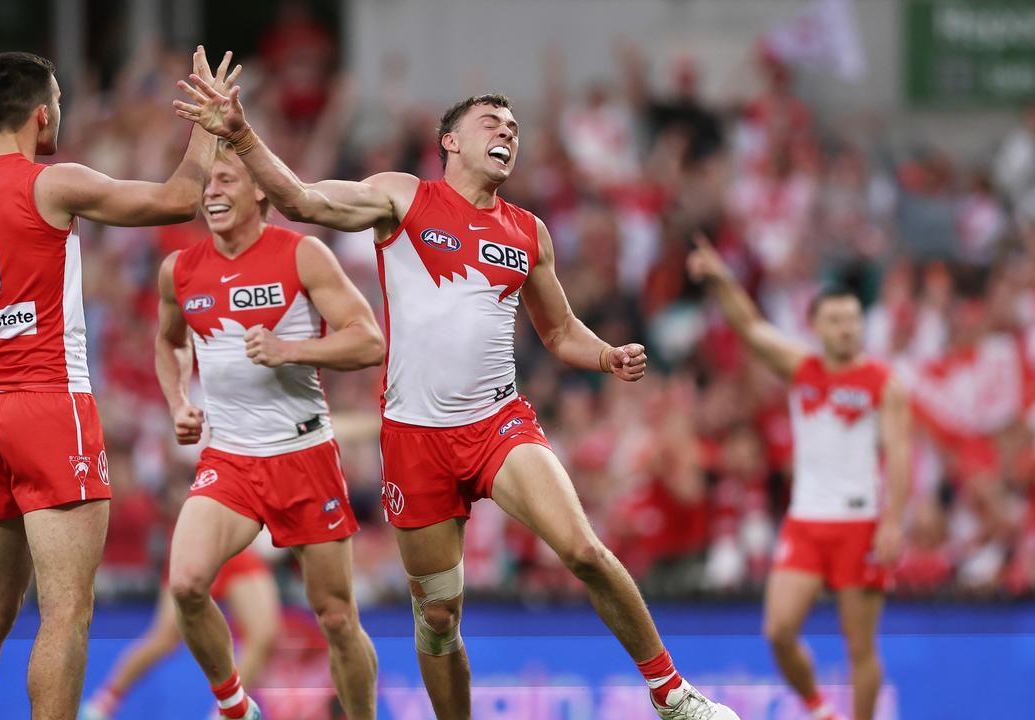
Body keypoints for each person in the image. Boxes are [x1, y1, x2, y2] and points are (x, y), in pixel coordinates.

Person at [174, 79, 739, 720]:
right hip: (414, 441)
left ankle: (672, 693)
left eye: (514, 127)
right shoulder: (403, 197)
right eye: (492, 122)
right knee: (439, 616)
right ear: (451, 141)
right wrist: (243, 135)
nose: (507, 132)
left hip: (499, 424)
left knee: (582, 549)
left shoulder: (528, 231)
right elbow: (302, 201)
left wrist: (605, 354)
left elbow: (557, 330)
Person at [0, 47, 240, 719]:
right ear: (42, 115)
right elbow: (179, 198)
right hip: (48, 405)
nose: (59, 113)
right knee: (66, 611)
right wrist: (209, 124)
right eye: (59, 103)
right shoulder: (51, 183)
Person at [151, 138, 384, 719]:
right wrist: (179, 400)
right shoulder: (178, 271)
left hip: (303, 453)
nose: (212, 190)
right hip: (228, 459)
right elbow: (170, 341)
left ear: (259, 188)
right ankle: (235, 708)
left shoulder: (301, 254)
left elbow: (369, 339)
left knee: (335, 616)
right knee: (185, 585)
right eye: (206, 181)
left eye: (226, 179)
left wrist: (290, 349)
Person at [687, 236, 911, 720]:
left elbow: (900, 455)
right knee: (778, 630)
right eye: (835, 320)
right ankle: (819, 708)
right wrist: (724, 277)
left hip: (860, 522)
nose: (847, 329)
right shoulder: (801, 368)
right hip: (807, 521)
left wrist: (893, 522)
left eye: (853, 320)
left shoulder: (882, 384)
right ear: (815, 327)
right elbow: (749, 327)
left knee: (860, 648)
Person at [80, 547, 281, 719]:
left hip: (239, 544)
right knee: (165, 637)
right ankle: (101, 705)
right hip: (209, 534)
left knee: (262, 636)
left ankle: (229, 712)